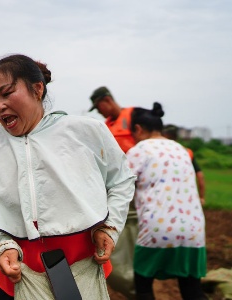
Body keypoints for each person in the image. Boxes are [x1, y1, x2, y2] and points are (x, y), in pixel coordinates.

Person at [0, 54, 136, 299]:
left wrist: (109, 227)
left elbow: (120, 180)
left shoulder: (85, 131)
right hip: (19, 272)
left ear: (37, 89)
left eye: (7, 93)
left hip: (82, 265)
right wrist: (1, 247)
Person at [126, 102, 208, 300]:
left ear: (138, 129)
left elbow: (120, 185)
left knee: (143, 284)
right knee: (192, 290)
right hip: (194, 231)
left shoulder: (140, 150)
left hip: (158, 230)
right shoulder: (181, 149)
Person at [89, 86, 138, 299]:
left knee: (135, 230)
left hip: (137, 184)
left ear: (107, 100)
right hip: (114, 185)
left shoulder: (132, 115)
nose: (99, 112)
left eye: (99, 106)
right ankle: (126, 274)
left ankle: (139, 273)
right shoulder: (106, 126)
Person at [163, 124, 206, 205]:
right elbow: (200, 176)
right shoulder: (187, 152)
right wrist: (201, 197)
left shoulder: (158, 152)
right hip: (185, 195)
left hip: (164, 195)